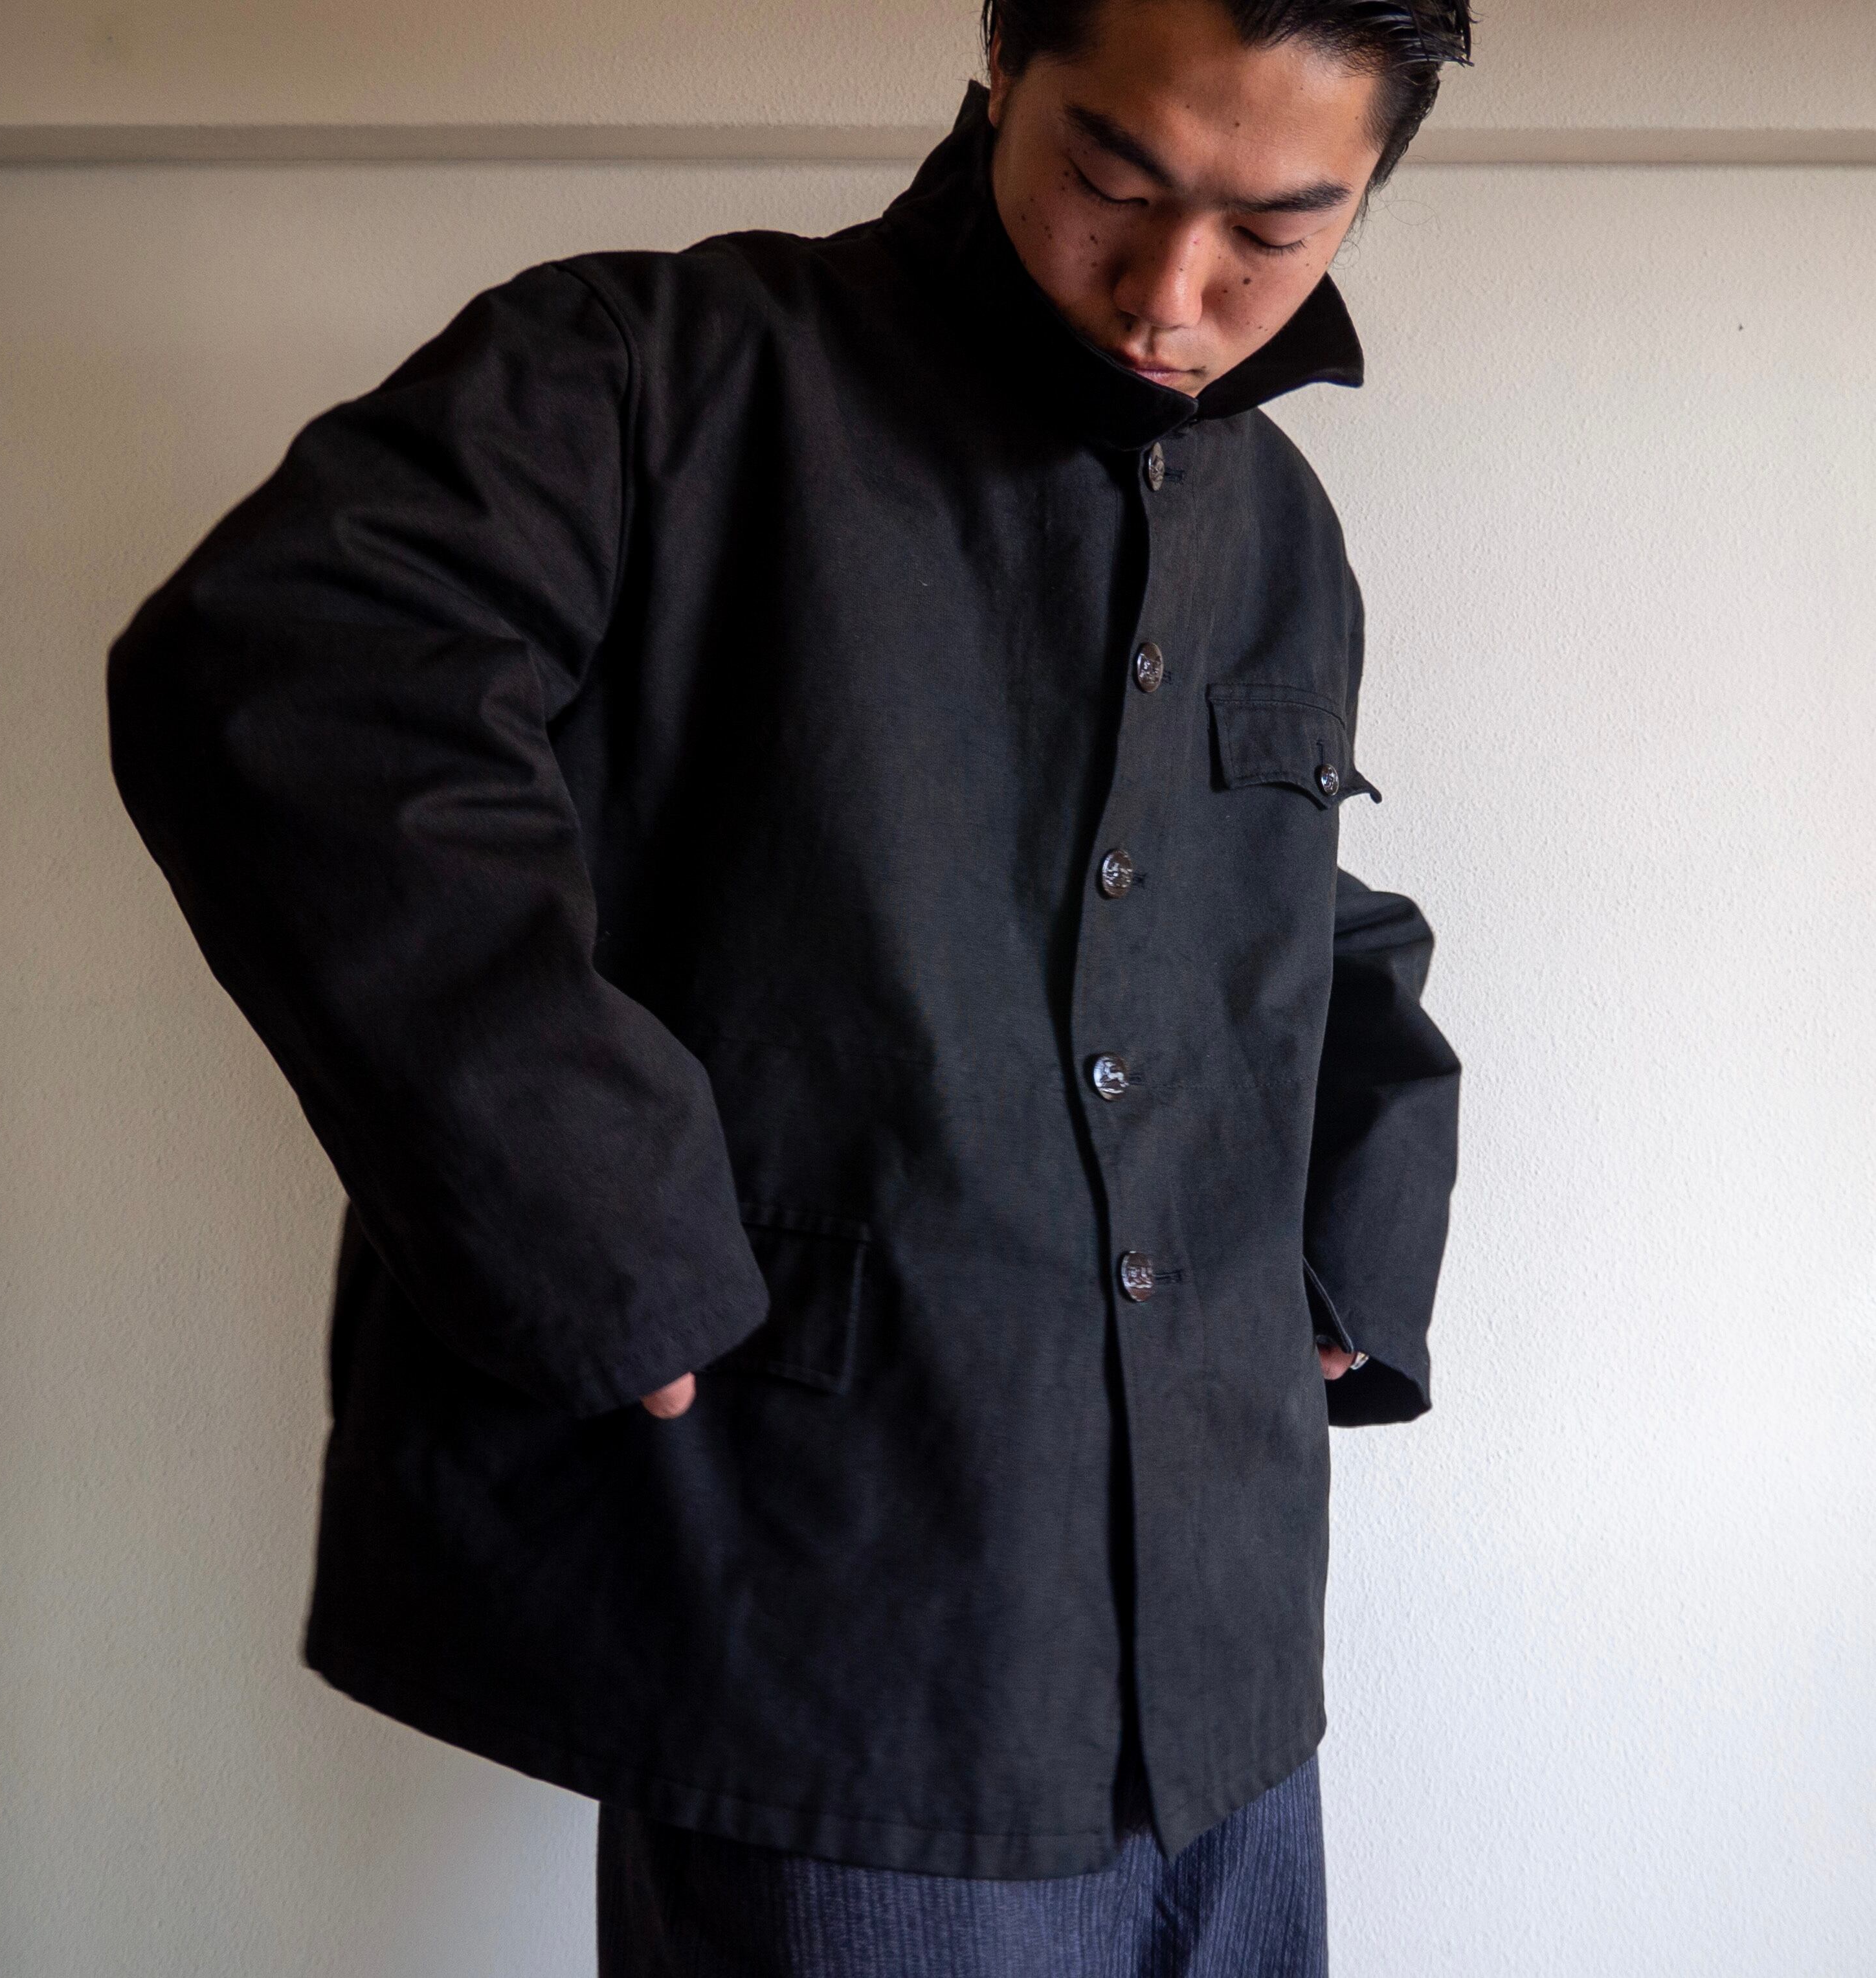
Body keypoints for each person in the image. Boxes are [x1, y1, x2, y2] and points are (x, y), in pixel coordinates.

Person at [107, 0, 1469, 1968]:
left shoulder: (1277, 526)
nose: (1175, 293)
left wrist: (1348, 1248)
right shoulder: (655, 371)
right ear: (1002, 63)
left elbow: (1292, 910)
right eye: (1113, 176)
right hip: (834, 1623)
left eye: (1275, 230)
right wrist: (586, 1213)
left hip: (1227, 1658)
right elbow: (288, 677)